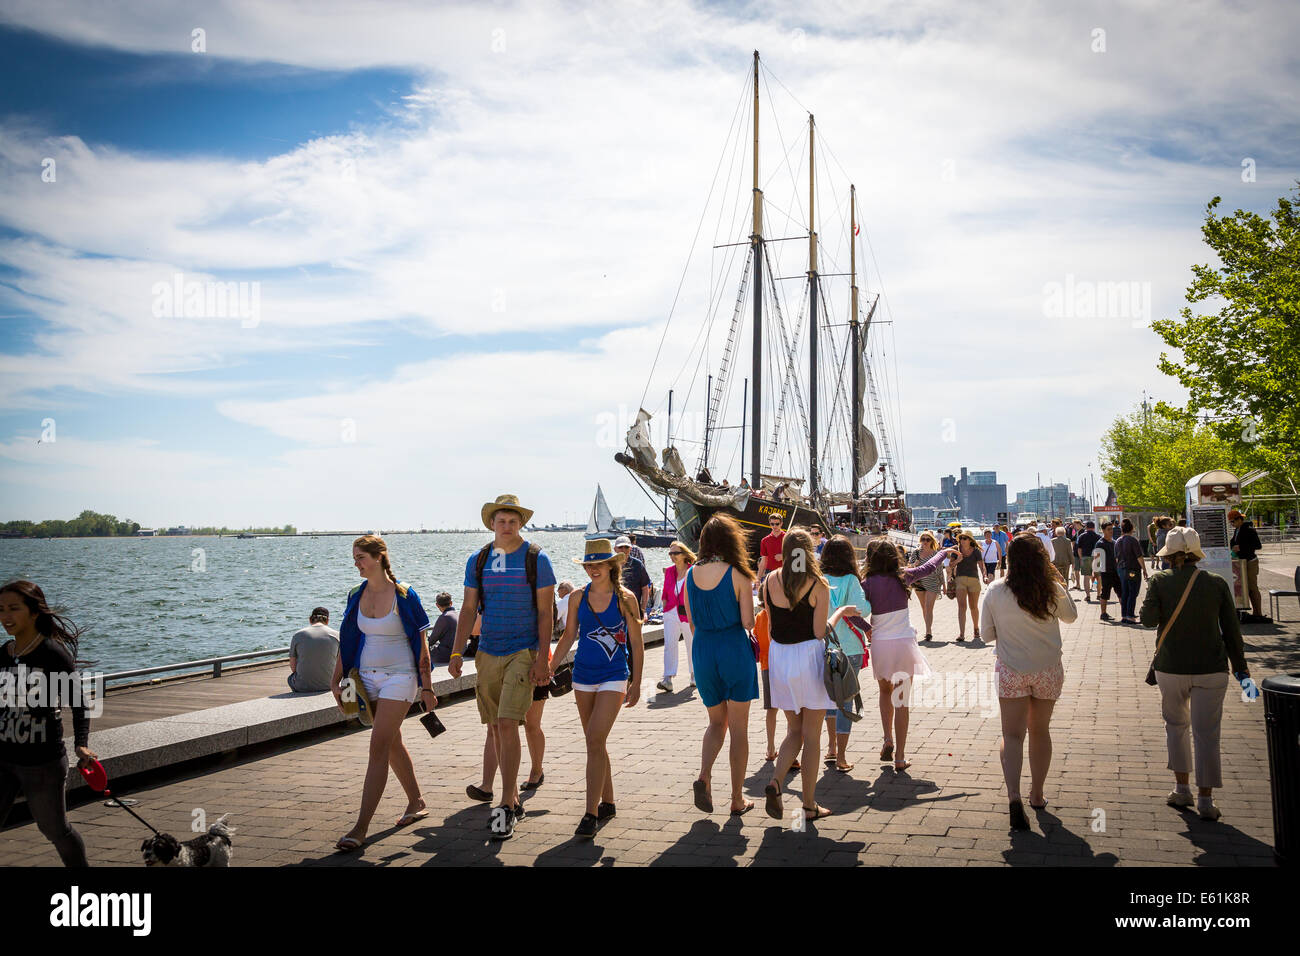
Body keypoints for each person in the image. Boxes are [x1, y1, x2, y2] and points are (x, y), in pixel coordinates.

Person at [448, 494, 555, 840]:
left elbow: (545, 613)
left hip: (522, 652)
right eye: (501, 521)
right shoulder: (478, 560)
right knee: (495, 727)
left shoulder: (537, 559)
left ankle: (507, 805)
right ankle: (508, 798)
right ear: (491, 523)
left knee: (508, 724)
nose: (506, 526)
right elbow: (467, 609)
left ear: (520, 523)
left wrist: (542, 657)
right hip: (487, 652)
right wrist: (455, 651)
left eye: (512, 521)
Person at [331, 535, 436, 851]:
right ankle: (416, 802)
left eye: (361, 556)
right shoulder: (355, 595)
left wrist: (427, 686)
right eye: (354, 557)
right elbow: (347, 640)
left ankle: (360, 828)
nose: (356, 563)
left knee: (378, 746)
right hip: (365, 679)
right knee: (391, 743)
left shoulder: (404, 595)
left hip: (400, 678)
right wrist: (336, 681)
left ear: (379, 557)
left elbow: (423, 647)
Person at [1141, 528, 1250, 822]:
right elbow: (1231, 630)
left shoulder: (1160, 581)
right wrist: (1243, 672)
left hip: (1171, 667)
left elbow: (1148, 621)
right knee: (1208, 734)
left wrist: (1155, 597)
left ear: (1168, 554)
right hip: (1212, 667)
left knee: (1176, 726)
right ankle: (1206, 799)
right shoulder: (1215, 583)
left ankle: (1181, 789)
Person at [550, 539, 644, 837]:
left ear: (611, 566)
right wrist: (548, 668)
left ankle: (590, 814)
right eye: (588, 565)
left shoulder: (626, 598)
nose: (592, 569)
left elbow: (637, 643)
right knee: (596, 742)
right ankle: (608, 802)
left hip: (615, 675)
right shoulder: (578, 597)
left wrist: (637, 682)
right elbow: (567, 637)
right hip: (583, 676)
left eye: (598, 564)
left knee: (593, 738)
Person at [761, 529, 857, 822]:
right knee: (811, 735)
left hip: (780, 657)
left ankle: (777, 781)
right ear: (809, 550)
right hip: (808, 658)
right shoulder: (818, 584)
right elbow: (819, 632)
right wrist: (840, 613)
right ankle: (809, 804)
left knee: (793, 730)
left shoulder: (769, 580)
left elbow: (770, 620)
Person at [982, 537, 1076, 830]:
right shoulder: (1050, 588)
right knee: (1039, 731)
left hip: (1011, 668)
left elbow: (986, 635)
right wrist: (1057, 578)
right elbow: (1071, 617)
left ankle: (1013, 796)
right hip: (1047, 667)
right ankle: (1037, 793)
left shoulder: (996, 590)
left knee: (1011, 736)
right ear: (1040, 558)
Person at [0, 580, 95, 866]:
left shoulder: (53, 655)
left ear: (34, 612)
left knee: (54, 830)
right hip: (2, 759)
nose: (6, 616)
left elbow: (79, 703)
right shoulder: (2, 654)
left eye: (14, 609)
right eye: (1, 609)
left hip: (42, 762)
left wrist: (81, 744)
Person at [682, 513, 759, 815]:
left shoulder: (690, 575)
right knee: (739, 728)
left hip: (703, 649)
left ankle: (704, 775)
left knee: (716, 722)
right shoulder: (738, 574)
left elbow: (690, 621)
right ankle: (737, 798)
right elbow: (747, 622)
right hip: (733, 648)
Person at [861, 538, 955, 771]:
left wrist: (867, 629)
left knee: (885, 692)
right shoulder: (902, 576)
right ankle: (900, 757)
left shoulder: (866, 583)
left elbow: (848, 611)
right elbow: (928, 567)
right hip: (903, 643)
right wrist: (944, 552)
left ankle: (887, 739)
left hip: (881, 643)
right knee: (901, 701)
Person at [819, 535, 870, 772]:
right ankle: (841, 756)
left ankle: (830, 748)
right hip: (849, 648)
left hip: (823, 647)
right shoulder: (851, 579)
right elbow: (864, 609)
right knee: (845, 699)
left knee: (829, 697)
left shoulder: (818, 580)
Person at [658, 543, 696, 694]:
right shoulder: (668, 571)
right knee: (669, 644)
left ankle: (694, 675)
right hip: (670, 612)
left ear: (684, 554)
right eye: (670, 554)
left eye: (676, 553)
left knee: (691, 644)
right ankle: (668, 678)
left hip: (688, 613)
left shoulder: (693, 571)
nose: (673, 556)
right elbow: (666, 593)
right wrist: (665, 610)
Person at [949, 532, 990, 641]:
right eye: (961, 538)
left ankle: (976, 629)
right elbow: (950, 565)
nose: (962, 540)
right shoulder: (956, 550)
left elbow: (982, 566)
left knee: (973, 607)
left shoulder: (976, 551)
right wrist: (958, 560)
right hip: (960, 580)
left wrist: (985, 577)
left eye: (965, 538)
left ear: (970, 540)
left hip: (974, 580)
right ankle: (962, 634)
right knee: (962, 607)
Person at [288, 607, 340, 692]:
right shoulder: (336, 635)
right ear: (327, 620)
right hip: (329, 684)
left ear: (310, 619)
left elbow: (293, 667)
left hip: (302, 686)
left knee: (290, 678)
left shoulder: (298, 635)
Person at [1228, 509, 1266, 621]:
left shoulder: (1249, 530)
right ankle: (1255, 612)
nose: (1232, 524)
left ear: (1239, 519)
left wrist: (1241, 547)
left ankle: (1258, 612)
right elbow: (1233, 542)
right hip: (1243, 561)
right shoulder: (1238, 530)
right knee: (1247, 587)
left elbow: (1258, 546)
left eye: (1233, 522)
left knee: (1252, 587)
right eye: (1231, 522)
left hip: (1250, 561)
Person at [908, 531, 945, 642]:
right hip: (919, 583)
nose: (925, 541)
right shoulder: (916, 553)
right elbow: (910, 567)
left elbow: (940, 571)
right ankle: (927, 629)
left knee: (929, 608)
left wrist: (944, 585)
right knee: (924, 607)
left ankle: (928, 631)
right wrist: (915, 564)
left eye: (927, 539)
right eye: (923, 539)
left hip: (932, 583)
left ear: (931, 541)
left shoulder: (935, 554)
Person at [1115, 519, 1148, 625]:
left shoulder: (1118, 541)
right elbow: (1139, 556)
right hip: (1132, 569)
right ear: (1132, 529)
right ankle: (1130, 615)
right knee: (1133, 592)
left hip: (1121, 569)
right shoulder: (1133, 541)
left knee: (1125, 592)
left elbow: (1116, 558)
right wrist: (1144, 569)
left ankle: (1124, 615)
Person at [615, 536, 651, 620]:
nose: (623, 549)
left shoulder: (638, 565)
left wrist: (643, 609)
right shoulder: (609, 565)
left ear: (630, 548)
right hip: (614, 611)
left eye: (626, 547)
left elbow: (645, 588)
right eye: (620, 547)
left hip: (634, 609)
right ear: (615, 549)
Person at [1095, 521, 1121, 622]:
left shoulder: (1114, 542)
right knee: (1105, 593)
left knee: (1121, 592)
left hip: (1116, 571)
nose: (1111, 531)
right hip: (1105, 572)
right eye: (1108, 529)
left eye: (1112, 529)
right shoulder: (1100, 543)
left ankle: (1125, 613)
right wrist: (1096, 573)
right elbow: (1096, 558)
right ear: (1103, 530)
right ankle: (1103, 613)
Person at [425, 593, 458, 666]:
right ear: (451, 603)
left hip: (447, 655)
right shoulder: (457, 614)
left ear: (437, 605)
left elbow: (432, 640)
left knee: (422, 649)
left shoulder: (444, 617)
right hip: (458, 652)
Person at [1074, 520, 1101, 602]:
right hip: (1096, 557)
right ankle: (1099, 594)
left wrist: (1081, 558)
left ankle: (1088, 595)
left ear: (1086, 527)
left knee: (1086, 577)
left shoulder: (1081, 536)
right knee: (1098, 576)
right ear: (1094, 527)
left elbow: (1079, 549)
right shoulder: (1098, 536)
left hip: (1085, 557)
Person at [757, 513, 785, 580]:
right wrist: (758, 579)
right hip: (768, 573)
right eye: (772, 524)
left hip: (783, 572)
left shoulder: (787, 538)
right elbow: (763, 561)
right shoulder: (765, 540)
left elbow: (794, 556)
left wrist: (783, 556)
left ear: (781, 524)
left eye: (777, 524)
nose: (774, 526)